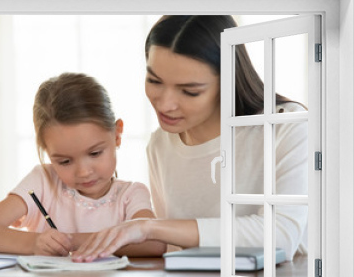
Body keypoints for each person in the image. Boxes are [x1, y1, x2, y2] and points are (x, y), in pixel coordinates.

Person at [72, 15, 308, 262]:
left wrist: (148, 228)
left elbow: (281, 235)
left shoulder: (285, 126)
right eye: (154, 81)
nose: (165, 104)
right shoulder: (160, 144)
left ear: (227, 82)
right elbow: (176, 250)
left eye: (189, 91)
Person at [0, 72, 166, 257]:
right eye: (64, 161)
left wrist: (71, 241)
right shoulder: (42, 181)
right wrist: (35, 243)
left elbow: (155, 243)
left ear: (117, 134)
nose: (84, 172)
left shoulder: (131, 195)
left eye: (95, 153)